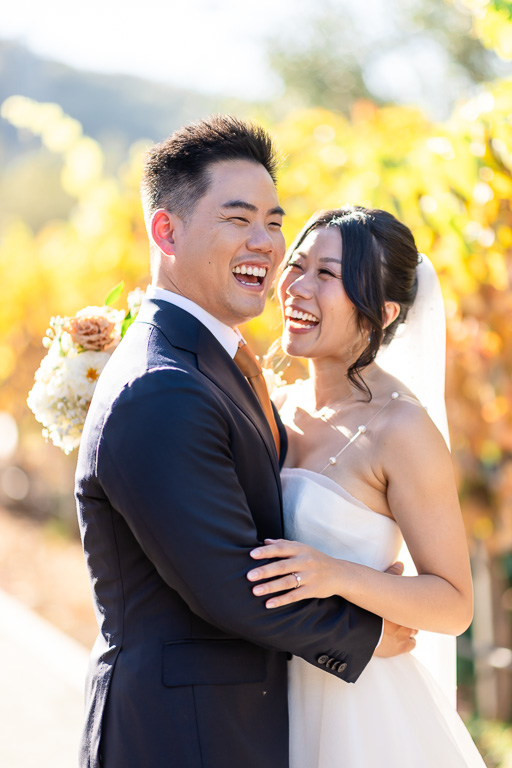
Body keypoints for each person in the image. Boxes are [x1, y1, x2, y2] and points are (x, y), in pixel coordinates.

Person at [74, 120, 414, 768]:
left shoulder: (217, 360)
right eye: (238, 219)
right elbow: (233, 584)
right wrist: (368, 630)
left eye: (273, 221)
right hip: (180, 735)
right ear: (166, 232)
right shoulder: (162, 387)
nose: (266, 243)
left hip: (226, 723)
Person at [247, 206, 486, 767]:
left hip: (359, 712)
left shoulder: (401, 429)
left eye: (327, 276)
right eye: (298, 266)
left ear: (382, 312)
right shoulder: (274, 406)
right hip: (265, 698)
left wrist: (333, 574)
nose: (297, 288)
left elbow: (453, 604)